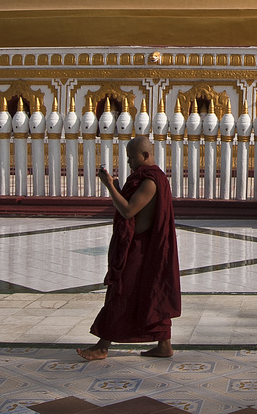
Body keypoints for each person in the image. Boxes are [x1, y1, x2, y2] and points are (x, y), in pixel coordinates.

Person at [77, 134, 181, 360]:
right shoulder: (147, 177)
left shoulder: (150, 181)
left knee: (120, 291)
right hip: (145, 245)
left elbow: (128, 210)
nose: (129, 163)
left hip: (141, 248)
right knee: (152, 292)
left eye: (132, 158)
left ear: (145, 155)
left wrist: (109, 187)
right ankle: (164, 345)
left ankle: (102, 346)